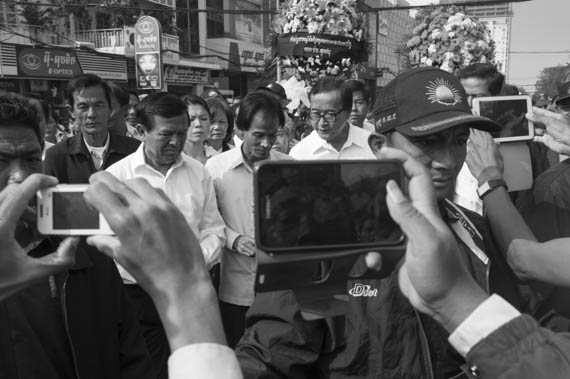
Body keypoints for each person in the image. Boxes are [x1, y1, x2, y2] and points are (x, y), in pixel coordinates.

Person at [236, 67, 527, 378]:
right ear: (379, 146)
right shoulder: (321, 239)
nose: (448, 161)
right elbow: (268, 359)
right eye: (428, 141)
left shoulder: (475, 231)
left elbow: (517, 340)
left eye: (459, 140)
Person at [0, 92, 154, 379]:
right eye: (1, 160)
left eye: (32, 159)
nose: (20, 177)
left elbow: (132, 355)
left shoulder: (84, 250)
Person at [106, 92, 226, 377]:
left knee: (198, 365)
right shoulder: (118, 177)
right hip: (139, 297)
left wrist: (194, 259)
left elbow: (213, 228)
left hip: (193, 290)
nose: (175, 143)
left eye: (181, 134)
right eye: (166, 134)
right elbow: (108, 242)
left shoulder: (199, 173)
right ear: (140, 131)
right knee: (150, 369)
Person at [205, 91, 291, 348]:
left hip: (279, 284)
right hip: (234, 282)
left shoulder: (289, 168)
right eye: (259, 135)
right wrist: (234, 239)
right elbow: (209, 219)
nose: (266, 143)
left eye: (273, 135)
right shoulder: (216, 169)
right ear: (241, 130)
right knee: (237, 350)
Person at [43, 74, 140, 184]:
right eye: (83, 107)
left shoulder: (136, 151)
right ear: (71, 111)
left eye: (98, 105)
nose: (91, 114)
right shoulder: (57, 157)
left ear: (110, 108)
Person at [289, 77, 376, 160]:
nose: (322, 123)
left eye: (330, 115)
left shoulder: (374, 146)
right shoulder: (300, 154)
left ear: (347, 112)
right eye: (316, 114)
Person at [182, 95, 215, 164]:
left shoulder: (217, 158)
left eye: (203, 119)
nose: (198, 124)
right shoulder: (173, 160)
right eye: (191, 119)